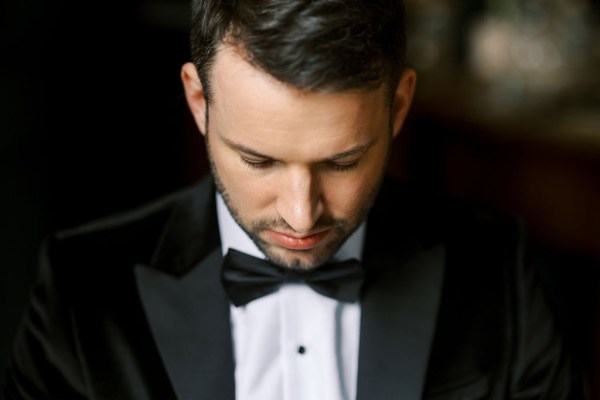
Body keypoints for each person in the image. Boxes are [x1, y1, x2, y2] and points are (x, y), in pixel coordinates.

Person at [2, 0, 582, 399]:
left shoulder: (497, 272)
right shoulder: (80, 295)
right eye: (259, 161)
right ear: (199, 101)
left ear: (398, 106)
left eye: (342, 161)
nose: (300, 214)